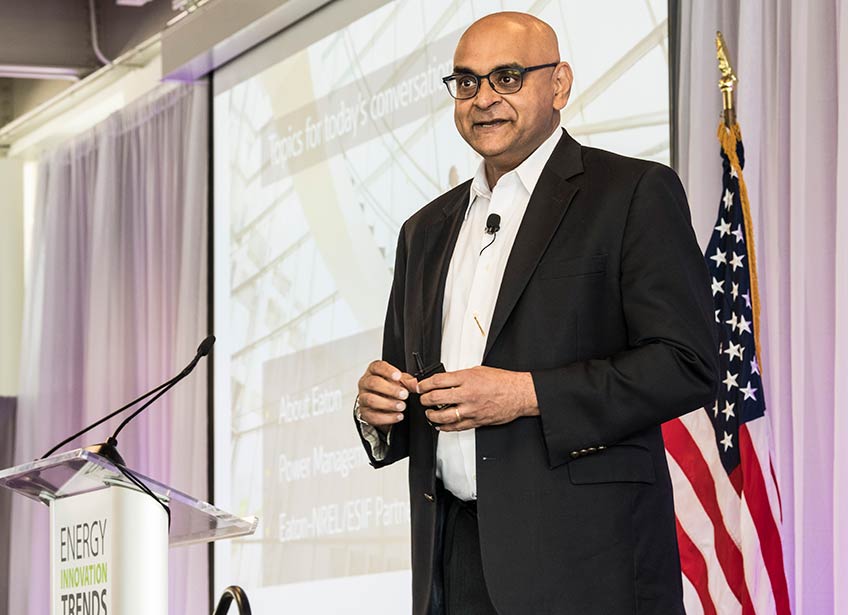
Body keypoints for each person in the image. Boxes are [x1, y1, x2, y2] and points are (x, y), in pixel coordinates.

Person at [353, 11, 718, 615]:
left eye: (508, 77)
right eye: (466, 82)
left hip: (585, 567)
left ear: (560, 85)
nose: (484, 99)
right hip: (455, 563)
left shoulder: (630, 194)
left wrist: (527, 394)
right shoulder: (424, 231)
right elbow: (405, 384)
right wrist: (378, 409)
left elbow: (687, 363)